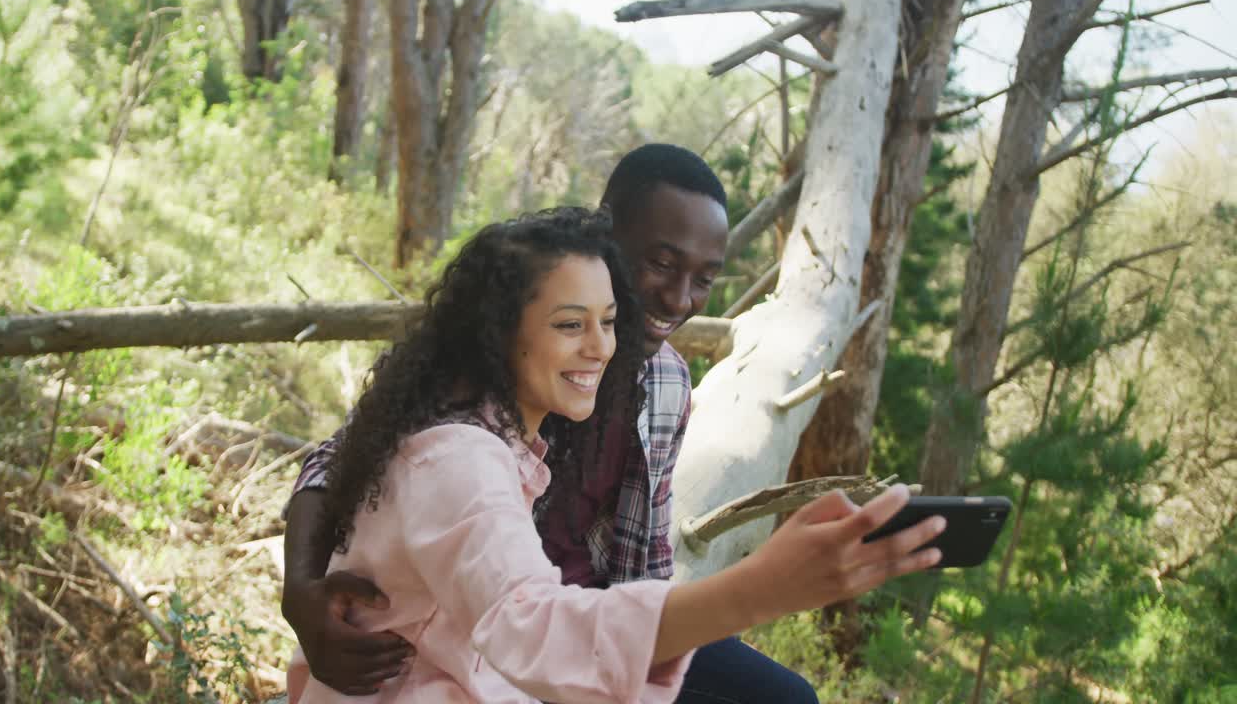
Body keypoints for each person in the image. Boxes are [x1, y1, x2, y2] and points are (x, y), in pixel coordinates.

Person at [285, 209, 945, 703]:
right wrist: (760, 586)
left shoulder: (505, 430)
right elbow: (532, 625)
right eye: (571, 325)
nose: (602, 344)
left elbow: (627, 578)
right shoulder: (460, 459)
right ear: (497, 332)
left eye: (608, 319)